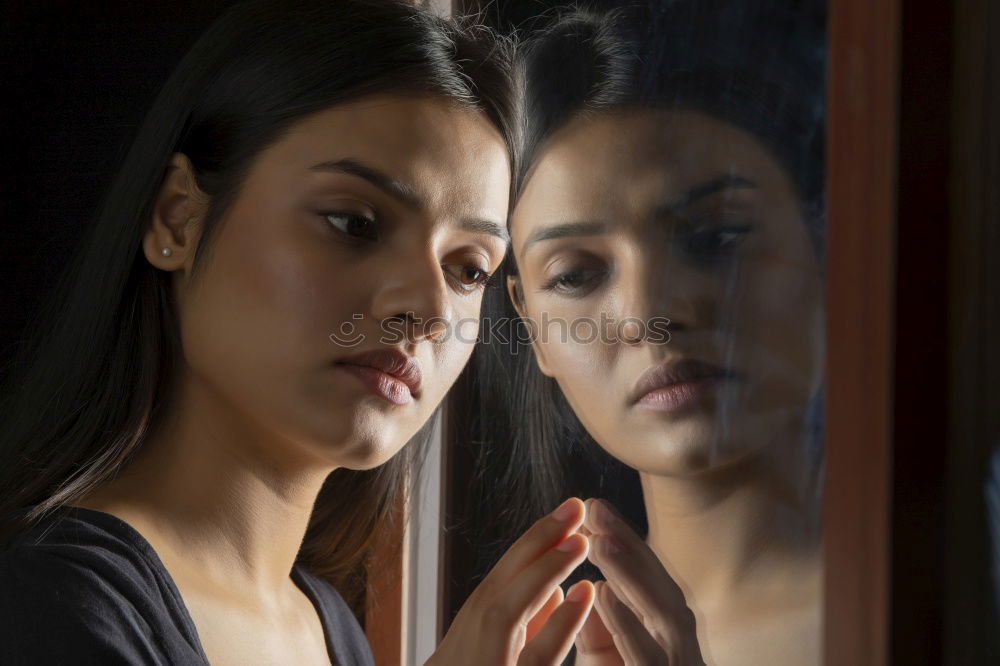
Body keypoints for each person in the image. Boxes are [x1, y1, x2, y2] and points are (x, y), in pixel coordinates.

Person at [0, 1, 596, 664]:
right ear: (176, 220)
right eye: (355, 223)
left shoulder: (330, 629)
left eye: (467, 269)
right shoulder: (47, 603)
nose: (428, 309)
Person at [471, 1, 826, 664]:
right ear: (533, 327)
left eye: (715, 238)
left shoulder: (950, 600)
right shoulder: (527, 648)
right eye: (576, 275)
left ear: (822, 244)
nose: (647, 315)